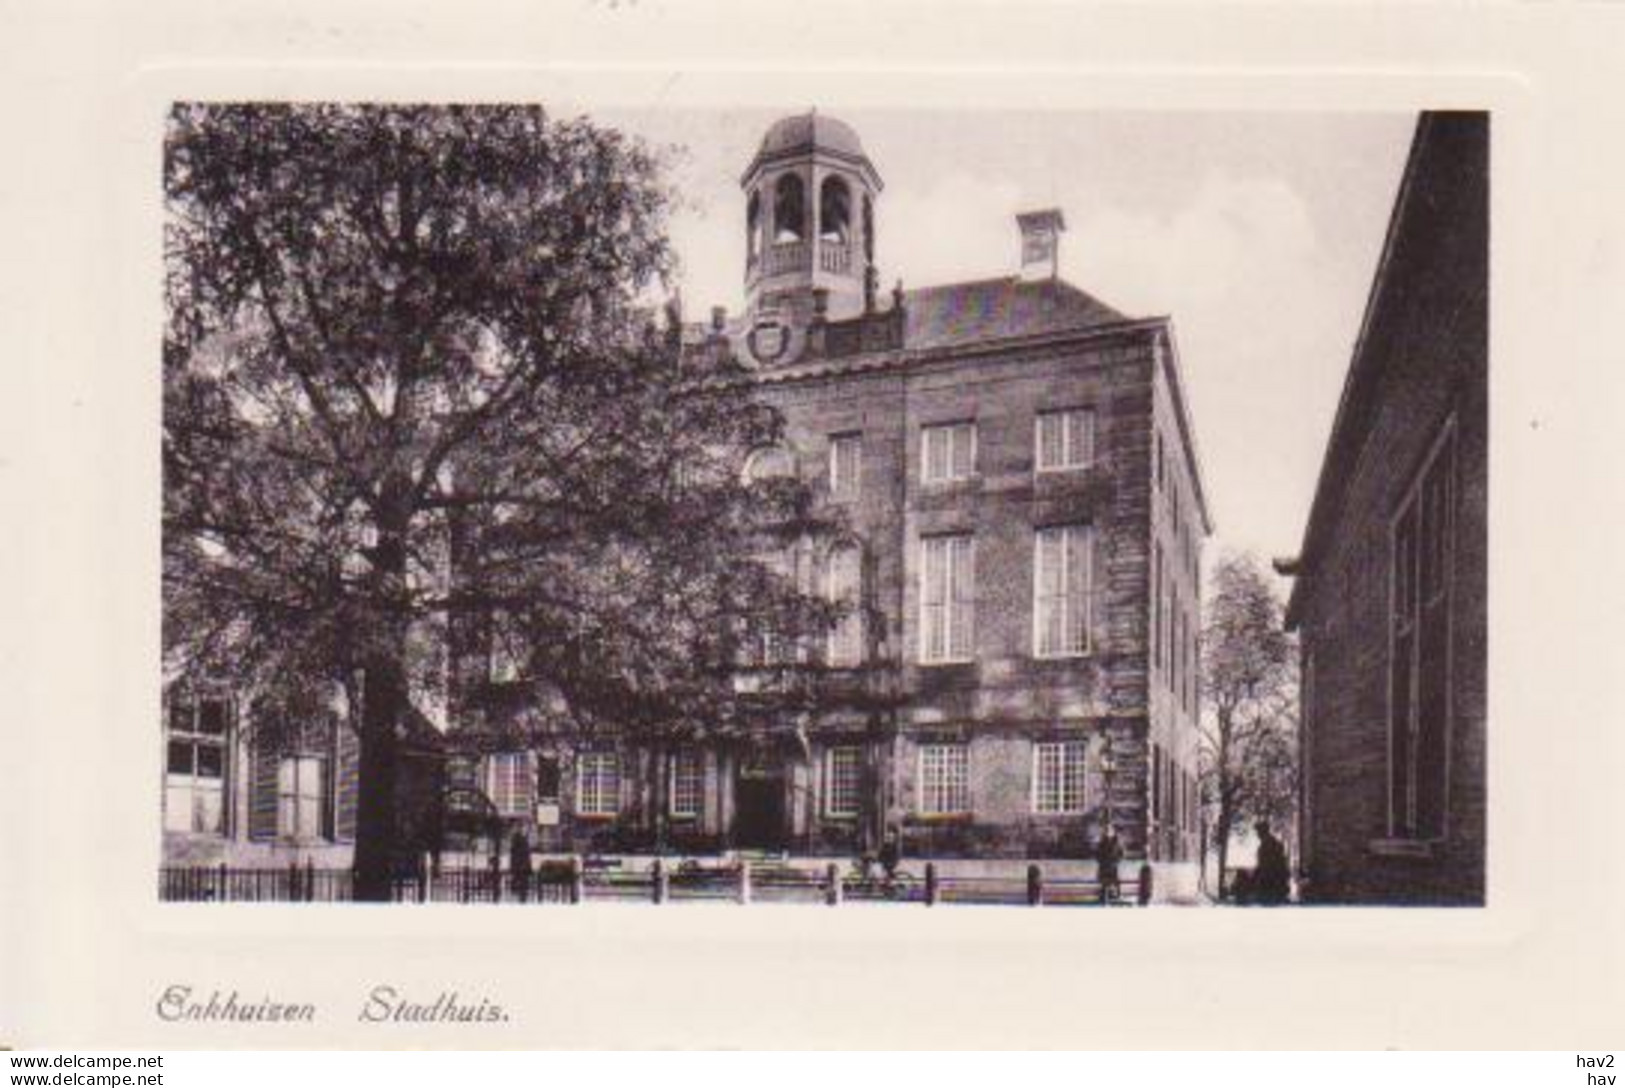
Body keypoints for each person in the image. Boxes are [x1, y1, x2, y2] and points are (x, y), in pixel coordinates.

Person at [1253, 819, 1291, 905]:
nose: (1257, 835)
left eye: (1258, 832)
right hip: (1274, 883)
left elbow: (1266, 866)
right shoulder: (1271, 844)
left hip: (1271, 884)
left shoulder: (1268, 845)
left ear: (1262, 832)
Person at [1096, 823, 1123, 904]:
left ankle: (1115, 896)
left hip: (1113, 867)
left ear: (1113, 831)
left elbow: (1121, 854)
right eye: (1106, 830)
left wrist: (1116, 862)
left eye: (1109, 830)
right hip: (1104, 867)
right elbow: (1097, 854)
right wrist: (1102, 861)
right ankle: (1104, 898)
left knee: (1114, 883)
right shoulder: (1102, 842)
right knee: (1104, 885)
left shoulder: (1117, 842)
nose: (1108, 832)